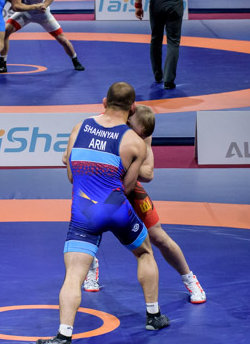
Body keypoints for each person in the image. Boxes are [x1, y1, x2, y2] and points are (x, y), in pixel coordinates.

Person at [36, 82, 169, 344]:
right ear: (133, 107)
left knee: (74, 274)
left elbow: (71, 175)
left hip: (84, 213)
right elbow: (128, 187)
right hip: (116, 209)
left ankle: (64, 337)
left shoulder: (80, 127)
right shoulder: (135, 142)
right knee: (145, 253)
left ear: (104, 101)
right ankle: (154, 316)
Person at [82, 104, 206, 304]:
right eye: (136, 134)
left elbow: (148, 173)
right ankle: (91, 267)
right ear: (128, 119)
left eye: (141, 137)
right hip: (100, 188)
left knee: (158, 236)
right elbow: (71, 159)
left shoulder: (142, 131)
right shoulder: (99, 125)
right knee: (87, 231)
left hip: (128, 186)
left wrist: (121, 161)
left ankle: (189, 278)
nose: (138, 139)